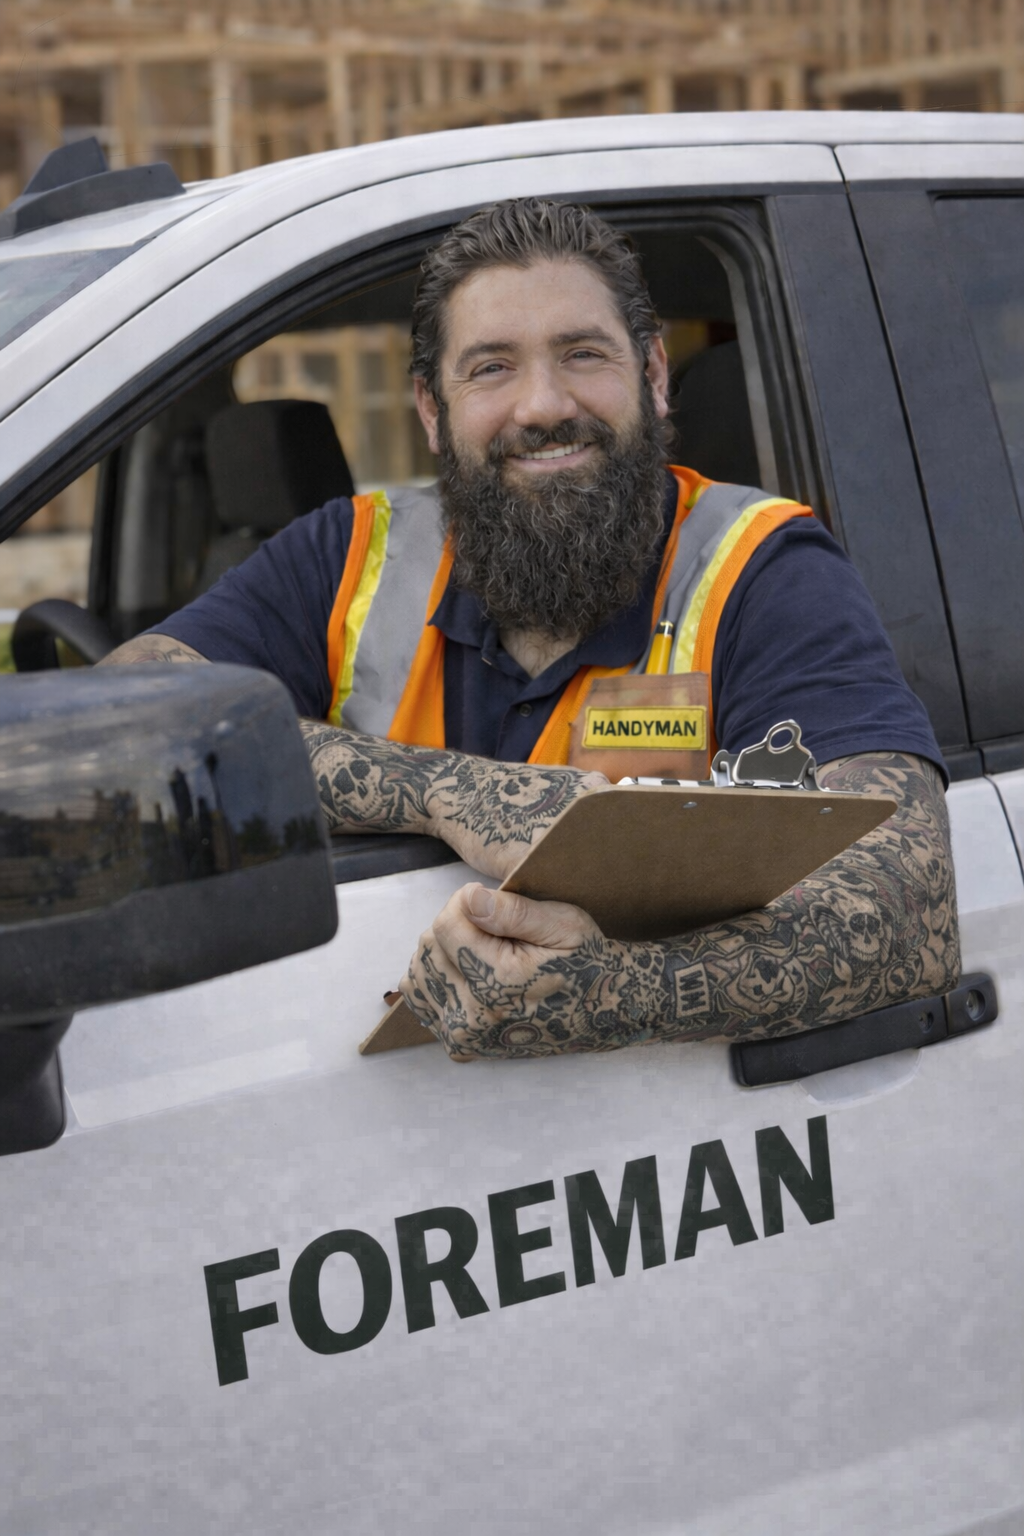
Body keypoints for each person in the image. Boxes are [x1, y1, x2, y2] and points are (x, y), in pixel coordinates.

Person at [101, 198, 959, 1060]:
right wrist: (449, 793)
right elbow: (122, 718)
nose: (543, 405)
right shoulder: (350, 552)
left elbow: (911, 913)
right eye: (491, 368)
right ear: (433, 410)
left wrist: (618, 990)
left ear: (654, 376)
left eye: (583, 354)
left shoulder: (762, 571)